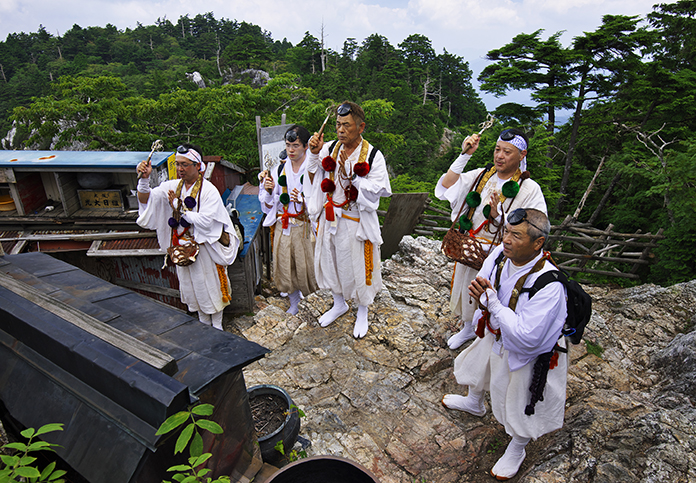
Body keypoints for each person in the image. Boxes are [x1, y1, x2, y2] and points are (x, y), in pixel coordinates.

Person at [442, 208, 567, 480]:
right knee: (480, 364)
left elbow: (527, 336)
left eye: (517, 236)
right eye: (507, 232)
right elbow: (484, 280)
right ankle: (474, 402)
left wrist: (492, 303)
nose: (507, 239)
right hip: (496, 328)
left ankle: (517, 446)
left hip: (529, 351)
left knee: (520, 394)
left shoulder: (549, 285)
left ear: (538, 243)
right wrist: (484, 303)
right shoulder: (501, 254)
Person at [437, 128, 547, 350]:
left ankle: (490, 333)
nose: (500, 155)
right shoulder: (480, 175)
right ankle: (468, 328)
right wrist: (465, 154)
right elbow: (447, 185)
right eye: (498, 149)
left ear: (522, 155)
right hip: (470, 248)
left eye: (508, 151)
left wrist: (499, 218)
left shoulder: (529, 189)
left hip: (501, 254)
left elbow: (535, 226)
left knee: (492, 295)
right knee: (468, 290)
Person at [304, 101, 392, 339]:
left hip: (356, 220)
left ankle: (362, 309)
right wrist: (313, 153)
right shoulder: (330, 148)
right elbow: (313, 174)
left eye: (346, 125)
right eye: (338, 125)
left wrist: (352, 176)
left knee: (359, 267)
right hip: (331, 215)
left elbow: (378, 190)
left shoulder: (373, 155)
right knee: (331, 261)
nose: (341, 130)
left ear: (361, 127)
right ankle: (339, 302)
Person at [136, 143, 239, 330]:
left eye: (185, 164)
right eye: (177, 164)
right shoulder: (172, 186)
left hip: (205, 248)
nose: (180, 169)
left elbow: (206, 222)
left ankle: (217, 326)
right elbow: (147, 200)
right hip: (182, 248)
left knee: (211, 286)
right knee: (193, 287)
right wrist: (144, 179)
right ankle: (203, 324)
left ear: (198, 166)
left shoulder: (209, 190)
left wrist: (178, 207)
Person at [258, 125, 318, 315]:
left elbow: (322, 196)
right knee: (286, 264)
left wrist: (303, 199)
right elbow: (267, 204)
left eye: (296, 146)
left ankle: (313, 300)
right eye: (288, 145)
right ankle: (293, 302)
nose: (291, 150)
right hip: (284, 224)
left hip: (305, 225)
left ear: (306, 146)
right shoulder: (279, 170)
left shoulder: (313, 168)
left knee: (307, 266)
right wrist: (269, 192)